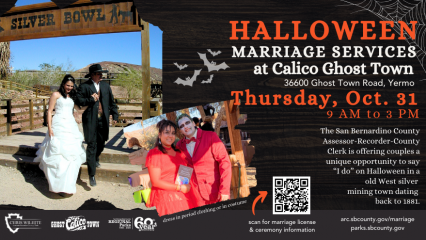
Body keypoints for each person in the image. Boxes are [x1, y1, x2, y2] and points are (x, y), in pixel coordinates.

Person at [34, 75, 86, 197]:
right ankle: (57, 184)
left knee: (71, 156)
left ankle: (67, 185)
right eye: (68, 85)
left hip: (70, 126)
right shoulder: (55, 95)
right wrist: (50, 127)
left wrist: (92, 101)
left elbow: (79, 109)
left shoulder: (72, 96)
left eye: (72, 86)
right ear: (63, 84)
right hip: (58, 124)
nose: (69, 88)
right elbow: (49, 111)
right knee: (57, 155)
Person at [145, 119, 201, 216]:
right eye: (167, 132)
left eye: (173, 133)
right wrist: (179, 188)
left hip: (185, 193)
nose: (170, 136)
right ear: (159, 135)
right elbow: (155, 182)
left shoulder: (179, 151)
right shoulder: (154, 154)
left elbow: (185, 170)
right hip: (167, 197)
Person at [76, 64, 118, 187]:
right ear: (93, 74)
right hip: (90, 120)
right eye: (99, 73)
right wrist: (90, 99)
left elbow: (111, 101)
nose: (101, 75)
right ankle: (92, 174)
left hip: (103, 120)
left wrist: (115, 115)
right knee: (91, 145)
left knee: (102, 142)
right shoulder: (84, 86)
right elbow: (78, 101)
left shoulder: (105, 86)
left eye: (101, 73)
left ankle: (96, 158)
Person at [176, 114, 232, 205]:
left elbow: (224, 163)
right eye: (182, 126)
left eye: (187, 123)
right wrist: (182, 192)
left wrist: (225, 190)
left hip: (215, 192)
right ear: (180, 131)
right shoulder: (179, 145)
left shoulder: (211, 136)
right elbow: (183, 169)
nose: (185, 126)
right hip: (195, 196)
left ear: (193, 123)